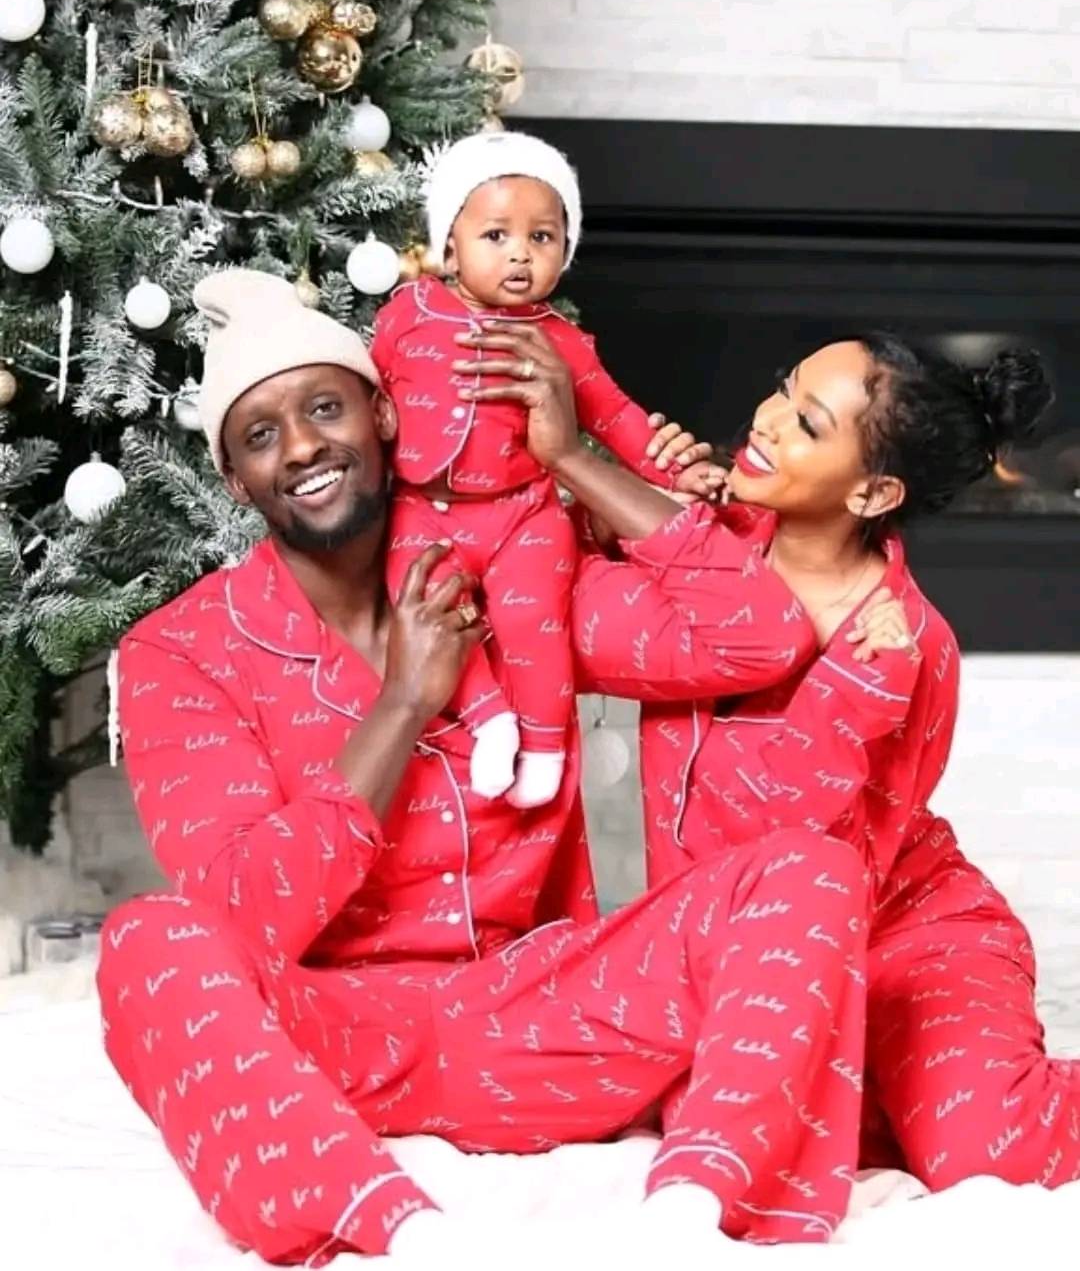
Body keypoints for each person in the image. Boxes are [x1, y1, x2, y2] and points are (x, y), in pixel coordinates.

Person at [98, 268, 871, 1268]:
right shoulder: (181, 652)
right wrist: (405, 700)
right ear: (238, 480)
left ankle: (690, 1217)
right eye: (259, 435)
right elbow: (247, 913)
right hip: (331, 1046)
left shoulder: (517, 574)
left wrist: (576, 459)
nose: (300, 447)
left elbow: (756, 636)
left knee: (809, 869)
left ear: (384, 415)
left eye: (325, 408)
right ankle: (405, 1236)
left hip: (541, 1018)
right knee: (148, 940)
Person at [554, 330, 1078, 1193]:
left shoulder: (908, 649)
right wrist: (628, 511)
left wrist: (852, 693)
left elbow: (805, 840)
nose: (765, 420)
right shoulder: (702, 536)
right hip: (738, 944)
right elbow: (569, 629)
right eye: (783, 387)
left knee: (981, 1145)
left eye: (807, 423)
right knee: (673, 1105)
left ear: (873, 491)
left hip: (904, 933)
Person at [371, 130, 694, 810]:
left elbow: (614, 415)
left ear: (564, 252)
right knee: (421, 601)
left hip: (523, 513)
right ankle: (489, 718)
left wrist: (672, 467)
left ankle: (545, 745)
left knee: (536, 621)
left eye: (542, 237)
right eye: (496, 235)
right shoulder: (408, 312)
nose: (520, 252)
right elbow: (365, 386)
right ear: (450, 247)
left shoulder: (559, 341)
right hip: (422, 506)